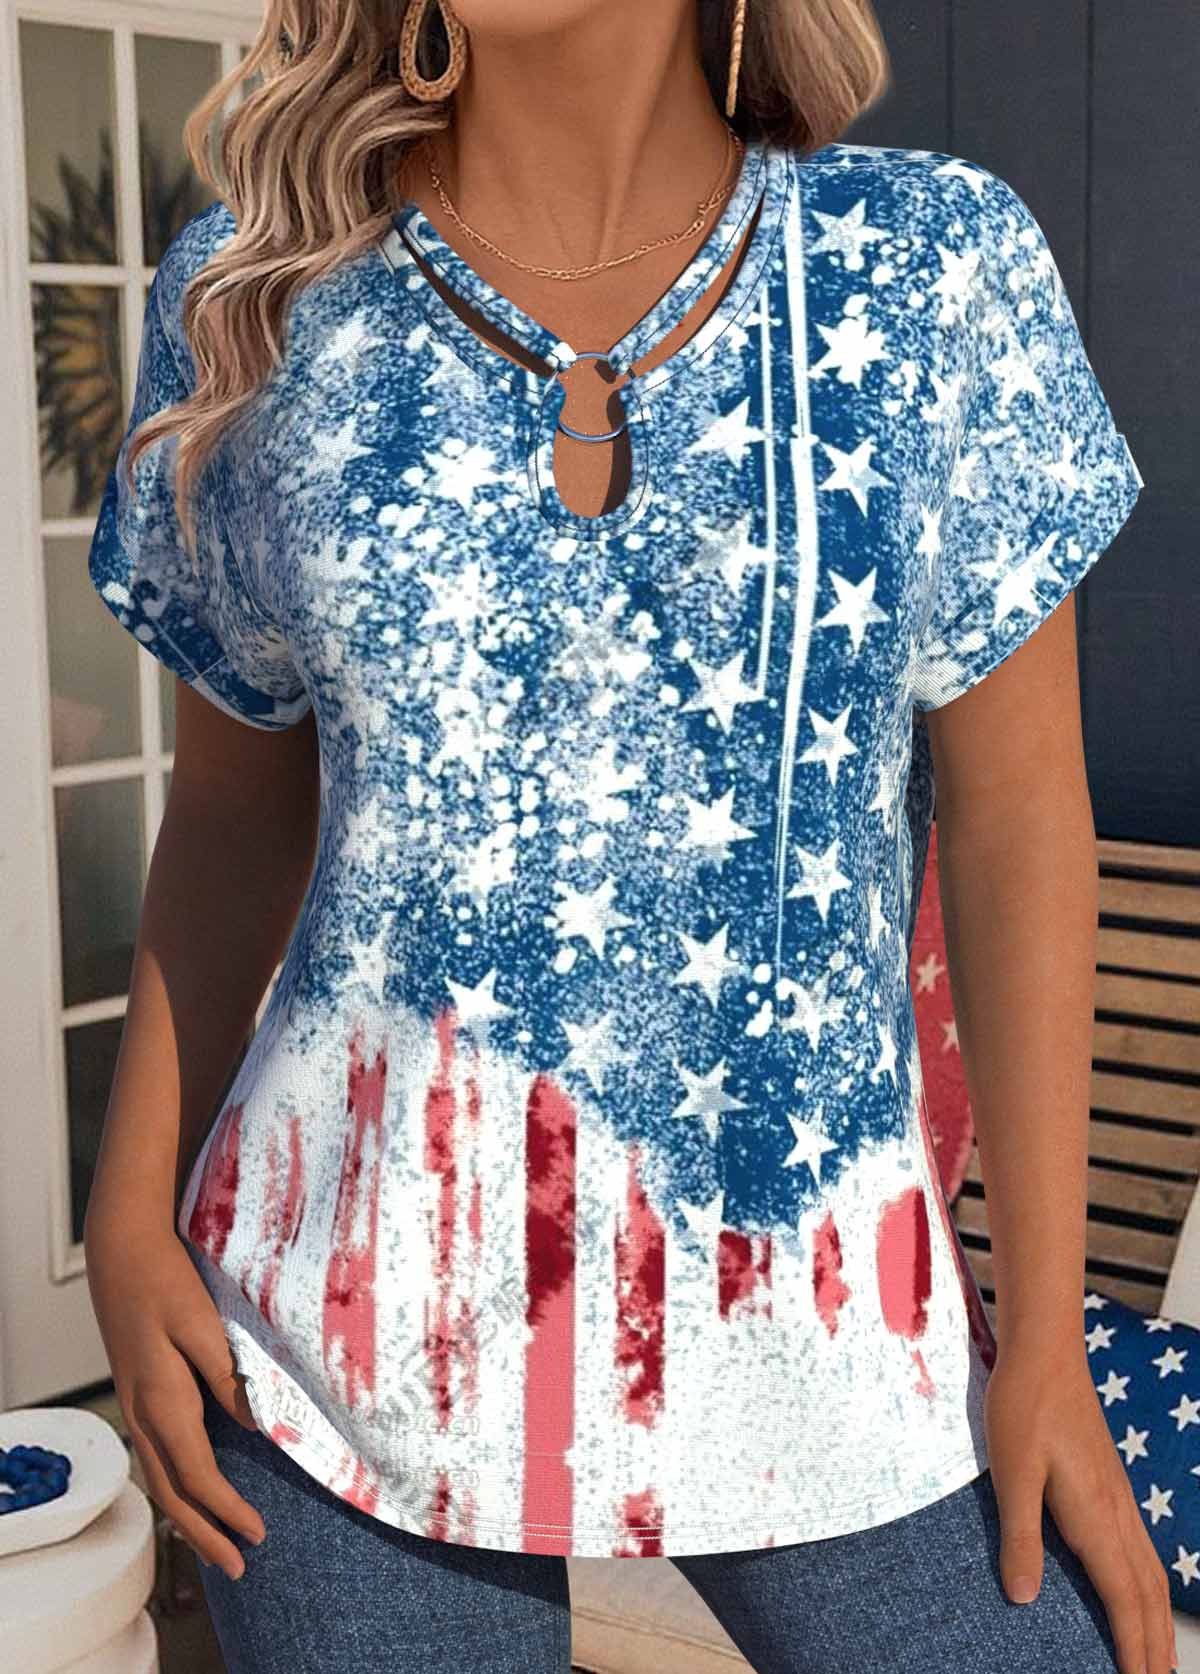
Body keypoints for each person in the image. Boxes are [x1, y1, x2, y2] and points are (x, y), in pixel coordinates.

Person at [81, 1, 1168, 1670]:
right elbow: (231, 811)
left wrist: (1045, 1346)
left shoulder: (933, 269)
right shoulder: (257, 294)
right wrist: (126, 1209)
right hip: (331, 1360)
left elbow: (1021, 817)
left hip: (827, 1337)